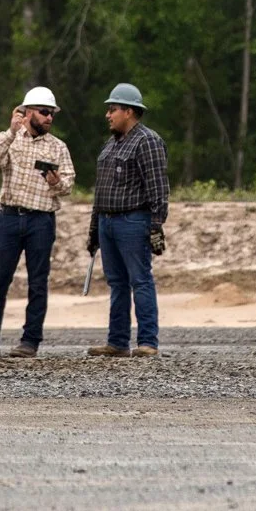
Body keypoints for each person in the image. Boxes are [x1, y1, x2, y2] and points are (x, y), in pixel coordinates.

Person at [0, 87, 76, 359]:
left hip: (41, 220)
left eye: (52, 114)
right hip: (10, 217)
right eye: (45, 112)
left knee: (38, 282)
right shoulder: (9, 138)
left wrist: (57, 182)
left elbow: (69, 185)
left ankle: (30, 342)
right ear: (27, 113)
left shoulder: (58, 147)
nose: (49, 118)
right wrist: (11, 131)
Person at [87, 82, 169, 359]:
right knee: (117, 283)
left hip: (134, 220)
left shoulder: (148, 141)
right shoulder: (111, 145)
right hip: (107, 221)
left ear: (129, 112)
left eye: (113, 109)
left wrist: (156, 225)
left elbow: (158, 187)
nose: (108, 115)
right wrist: (94, 230)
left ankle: (148, 342)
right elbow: (101, 191)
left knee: (140, 280)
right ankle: (118, 342)